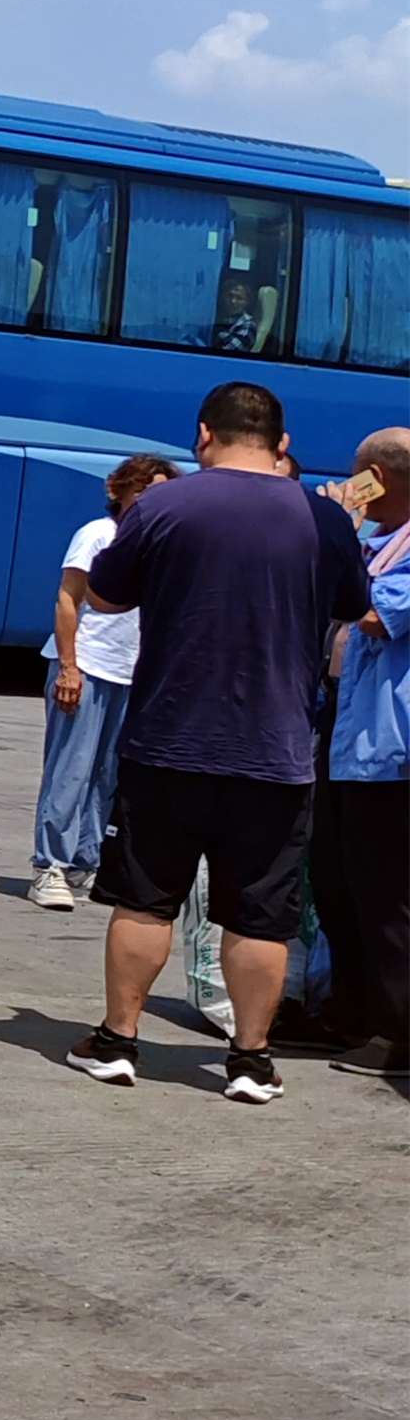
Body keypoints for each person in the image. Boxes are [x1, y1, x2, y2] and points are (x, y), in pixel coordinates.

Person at [65, 382, 372, 1103]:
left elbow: (106, 594)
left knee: (144, 900)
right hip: (277, 749)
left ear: (204, 435)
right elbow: (352, 607)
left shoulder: (164, 504)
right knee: (261, 913)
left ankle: (116, 1042)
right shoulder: (321, 517)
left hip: (167, 740)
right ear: (283, 444)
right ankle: (250, 1061)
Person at [28, 455, 179, 909]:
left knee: (108, 775)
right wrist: (69, 666)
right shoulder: (99, 535)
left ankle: (84, 862)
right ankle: (48, 864)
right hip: (88, 665)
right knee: (70, 769)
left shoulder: (162, 543)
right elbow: (67, 600)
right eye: (145, 491)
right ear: (122, 492)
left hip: (130, 672)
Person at [315, 428, 410, 1079]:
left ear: (378, 474)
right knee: (335, 878)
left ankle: (397, 1027)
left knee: (387, 891)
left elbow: (372, 613)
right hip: (347, 735)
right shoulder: (377, 541)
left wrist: (340, 532)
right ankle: (348, 1007)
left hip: (391, 745)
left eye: (363, 479)